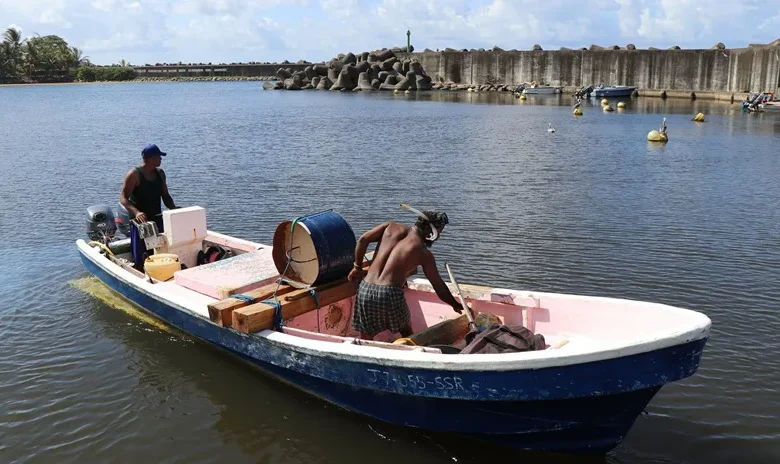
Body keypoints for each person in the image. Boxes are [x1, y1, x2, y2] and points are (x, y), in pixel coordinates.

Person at [348, 206, 463, 340]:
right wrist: (454, 304)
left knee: (366, 335)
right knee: (406, 331)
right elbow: (438, 285)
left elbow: (363, 239)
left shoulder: (389, 227)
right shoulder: (423, 253)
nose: (437, 238)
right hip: (389, 293)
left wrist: (357, 267)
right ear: (428, 230)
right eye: (438, 233)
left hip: (365, 288)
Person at [120, 143, 178, 269]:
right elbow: (123, 198)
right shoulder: (134, 175)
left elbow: (166, 196)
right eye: (159, 156)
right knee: (143, 256)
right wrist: (136, 212)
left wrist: (175, 210)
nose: (161, 159)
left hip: (156, 219)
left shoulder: (160, 173)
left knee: (161, 252)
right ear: (151, 158)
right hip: (140, 222)